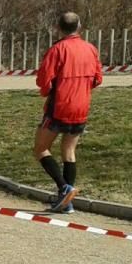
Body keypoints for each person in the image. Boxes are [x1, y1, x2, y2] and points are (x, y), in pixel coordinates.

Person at [33, 11, 103, 214]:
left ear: (58, 27)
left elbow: (43, 79)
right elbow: (98, 78)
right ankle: (66, 203)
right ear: (79, 26)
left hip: (60, 106)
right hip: (82, 106)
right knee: (69, 151)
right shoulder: (91, 49)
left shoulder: (57, 49)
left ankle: (64, 188)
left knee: (40, 149)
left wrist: (47, 91)